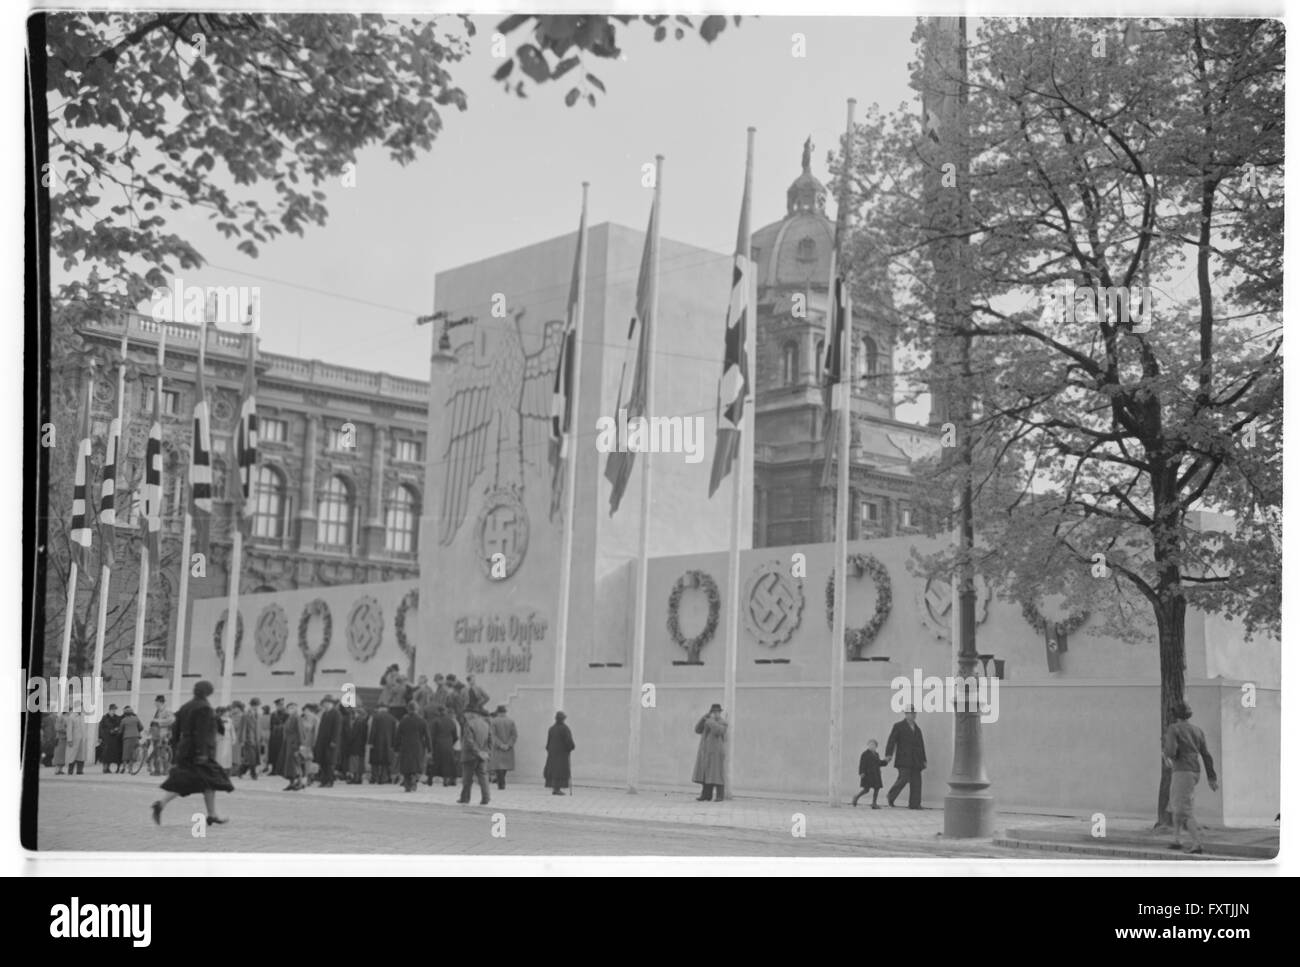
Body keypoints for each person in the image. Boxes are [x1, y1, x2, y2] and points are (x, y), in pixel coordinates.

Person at [152, 680, 234, 826]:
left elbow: (175, 730)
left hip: (185, 749)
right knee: (206, 780)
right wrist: (202, 753)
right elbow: (202, 732)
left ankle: (211, 814)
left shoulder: (185, 707)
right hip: (199, 751)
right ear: (207, 692)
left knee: (200, 781)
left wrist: (177, 748)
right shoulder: (205, 708)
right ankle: (162, 804)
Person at [1163, 700, 1219, 855]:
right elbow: (1206, 755)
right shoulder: (1198, 731)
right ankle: (1176, 839)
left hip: (1181, 771)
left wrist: (1165, 754)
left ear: (1175, 714)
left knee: (1184, 810)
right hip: (1195, 771)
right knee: (1176, 805)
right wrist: (1211, 777)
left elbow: (1171, 752)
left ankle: (1197, 843)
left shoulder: (1174, 729)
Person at [885, 706, 927, 809]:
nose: (913, 715)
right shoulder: (898, 726)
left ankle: (915, 804)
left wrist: (924, 760)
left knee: (916, 782)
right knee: (903, 778)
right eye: (910, 713)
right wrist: (889, 754)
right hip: (903, 759)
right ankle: (891, 795)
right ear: (906, 714)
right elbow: (891, 741)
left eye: (914, 713)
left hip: (916, 760)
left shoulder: (917, 729)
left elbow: (921, 746)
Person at [457, 704, 493, 805]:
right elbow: (490, 740)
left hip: (470, 756)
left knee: (467, 779)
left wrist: (477, 752)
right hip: (482, 756)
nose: (465, 716)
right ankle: (486, 797)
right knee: (483, 777)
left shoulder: (469, 724)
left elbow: (469, 741)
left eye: (466, 714)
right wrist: (486, 752)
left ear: (471, 714)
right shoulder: (486, 724)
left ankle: (465, 798)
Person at [692, 704, 727, 802]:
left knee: (717, 774)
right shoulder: (707, 721)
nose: (715, 714)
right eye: (713, 712)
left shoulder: (722, 722)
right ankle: (706, 795)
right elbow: (697, 730)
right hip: (705, 752)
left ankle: (720, 796)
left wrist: (710, 721)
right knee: (706, 774)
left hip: (716, 753)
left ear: (720, 713)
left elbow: (719, 731)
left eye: (717, 712)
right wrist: (703, 719)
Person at [396, 701, 430, 792]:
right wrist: (430, 748)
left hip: (405, 746)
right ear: (417, 709)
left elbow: (398, 735)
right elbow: (427, 736)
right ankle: (414, 781)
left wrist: (396, 747)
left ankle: (407, 784)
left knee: (406, 766)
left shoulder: (403, 721)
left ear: (408, 709)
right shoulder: (422, 721)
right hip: (418, 746)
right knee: (416, 765)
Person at [851, 739, 890, 808]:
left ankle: (874, 803)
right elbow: (862, 764)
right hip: (868, 774)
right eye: (870, 744)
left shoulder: (876, 754)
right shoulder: (865, 754)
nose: (871, 746)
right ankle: (856, 797)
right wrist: (861, 772)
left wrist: (886, 761)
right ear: (868, 745)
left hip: (876, 774)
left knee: (877, 788)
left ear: (876, 746)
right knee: (866, 789)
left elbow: (879, 763)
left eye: (873, 745)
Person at [314, 696, 343, 787]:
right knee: (323, 762)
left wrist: (334, 741)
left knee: (329, 763)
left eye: (326, 703)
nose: (325, 705)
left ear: (331, 704)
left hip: (331, 743)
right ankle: (323, 780)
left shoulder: (336, 714)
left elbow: (337, 729)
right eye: (324, 704)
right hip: (323, 742)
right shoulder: (324, 714)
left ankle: (329, 781)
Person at [544, 711, 575, 795]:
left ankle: (555, 788)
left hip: (552, 754)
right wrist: (571, 747)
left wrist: (549, 750)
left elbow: (548, 743)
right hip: (562, 754)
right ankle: (557, 789)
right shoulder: (565, 729)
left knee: (553, 770)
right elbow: (569, 741)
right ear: (563, 719)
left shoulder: (551, 728)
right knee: (560, 771)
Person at [429, 706, 460, 787]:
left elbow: (432, 735)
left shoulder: (435, 721)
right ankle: (446, 780)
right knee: (448, 763)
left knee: (435, 763)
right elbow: (456, 736)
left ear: (438, 712)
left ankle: (430, 780)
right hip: (449, 744)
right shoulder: (451, 722)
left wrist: (431, 746)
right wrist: (450, 742)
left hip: (438, 745)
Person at [488, 705, 517, 790]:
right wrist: (508, 744)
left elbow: (493, 735)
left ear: (498, 712)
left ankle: (501, 783)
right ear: (505, 712)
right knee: (504, 767)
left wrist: (500, 745)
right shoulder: (511, 721)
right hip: (508, 748)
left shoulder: (494, 721)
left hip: (497, 748)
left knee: (498, 766)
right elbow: (514, 735)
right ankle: (502, 782)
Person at [368, 702, 397, 784]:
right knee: (385, 761)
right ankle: (384, 778)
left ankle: (375, 778)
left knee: (375, 761)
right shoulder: (392, 718)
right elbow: (394, 733)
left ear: (380, 708)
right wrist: (393, 744)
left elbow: (373, 731)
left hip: (377, 742)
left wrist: (370, 742)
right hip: (388, 743)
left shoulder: (376, 717)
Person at [279, 702, 305, 790]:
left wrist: (301, 744)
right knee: (289, 765)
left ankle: (300, 782)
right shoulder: (289, 718)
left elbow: (300, 731)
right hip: (288, 744)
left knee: (295, 763)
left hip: (294, 743)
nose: (291, 709)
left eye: (293, 708)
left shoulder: (297, 718)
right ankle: (292, 782)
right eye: (289, 708)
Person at [238, 697, 262, 779]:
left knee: (252, 758)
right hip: (248, 740)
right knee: (252, 758)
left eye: (257, 706)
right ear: (251, 705)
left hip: (256, 740)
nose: (256, 707)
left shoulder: (257, 715)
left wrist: (260, 737)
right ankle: (253, 774)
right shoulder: (245, 715)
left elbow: (259, 728)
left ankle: (241, 771)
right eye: (255, 706)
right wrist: (242, 740)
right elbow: (242, 728)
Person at [345, 706, 370, 784]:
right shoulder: (364, 722)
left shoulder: (358, 722)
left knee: (354, 763)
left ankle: (355, 778)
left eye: (355, 713)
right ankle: (359, 778)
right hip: (361, 746)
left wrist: (348, 741)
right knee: (360, 763)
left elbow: (353, 734)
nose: (354, 715)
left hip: (355, 745)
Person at [67, 701, 89, 775]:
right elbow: (69, 729)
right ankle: (70, 770)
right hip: (74, 739)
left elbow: (85, 727)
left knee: (81, 755)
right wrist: (69, 739)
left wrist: (86, 737)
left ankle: (80, 770)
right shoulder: (71, 717)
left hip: (82, 739)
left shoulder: (83, 716)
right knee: (73, 755)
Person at [99, 704, 122, 773]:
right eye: (112, 710)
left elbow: (120, 726)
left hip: (114, 738)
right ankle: (105, 768)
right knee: (105, 754)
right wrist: (100, 737)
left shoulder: (117, 718)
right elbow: (100, 728)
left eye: (115, 710)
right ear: (109, 710)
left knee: (112, 754)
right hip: (106, 738)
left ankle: (108, 767)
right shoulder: (105, 717)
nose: (114, 711)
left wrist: (116, 730)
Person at [267, 698, 288, 776]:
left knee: (281, 753)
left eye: (281, 705)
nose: (279, 706)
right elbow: (271, 726)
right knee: (273, 753)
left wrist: (279, 727)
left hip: (282, 736)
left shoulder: (286, 714)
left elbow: (287, 725)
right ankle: (273, 769)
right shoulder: (273, 714)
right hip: (274, 736)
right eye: (278, 705)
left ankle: (281, 770)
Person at [119, 705, 143, 772]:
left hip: (127, 738)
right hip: (135, 737)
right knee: (133, 753)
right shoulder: (136, 719)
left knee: (125, 753)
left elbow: (120, 730)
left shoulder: (123, 720)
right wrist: (136, 731)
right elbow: (141, 727)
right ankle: (130, 768)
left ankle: (123, 767)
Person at [53, 710, 70, 774]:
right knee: (59, 754)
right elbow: (58, 727)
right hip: (60, 738)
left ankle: (60, 769)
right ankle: (57, 770)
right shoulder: (61, 718)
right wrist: (67, 730)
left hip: (64, 738)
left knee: (62, 755)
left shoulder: (65, 717)